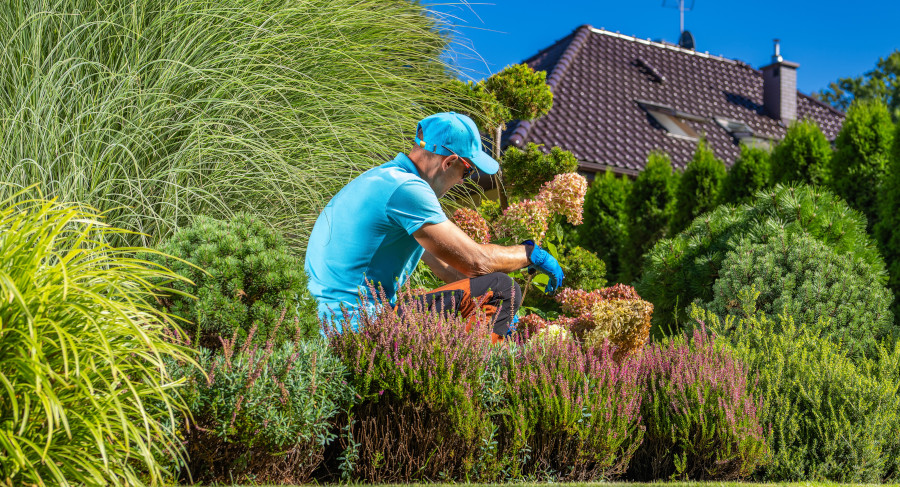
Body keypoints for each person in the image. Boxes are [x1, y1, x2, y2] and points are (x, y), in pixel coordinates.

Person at [304, 112, 564, 342]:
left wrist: (499, 313)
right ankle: (483, 375)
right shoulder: (408, 190)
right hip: (354, 328)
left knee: (494, 291)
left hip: (318, 322)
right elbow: (477, 261)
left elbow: (450, 269)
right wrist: (531, 254)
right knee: (503, 287)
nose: (464, 182)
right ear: (449, 162)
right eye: (468, 171)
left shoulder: (381, 178)